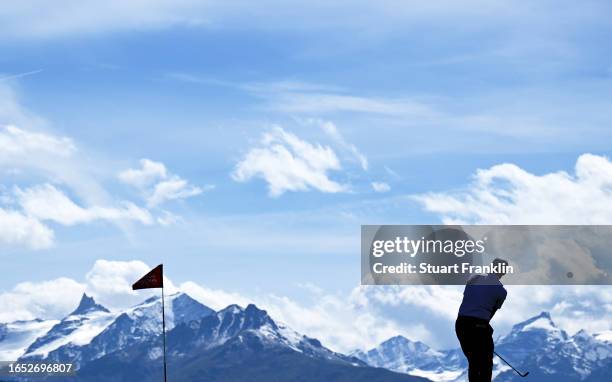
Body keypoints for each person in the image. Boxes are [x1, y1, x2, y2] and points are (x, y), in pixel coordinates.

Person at [455, 258, 508, 382]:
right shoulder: (501, 291)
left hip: (461, 324)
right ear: (503, 272)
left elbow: (467, 300)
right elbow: (491, 313)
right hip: (478, 326)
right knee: (485, 364)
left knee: (473, 361)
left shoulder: (473, 279)